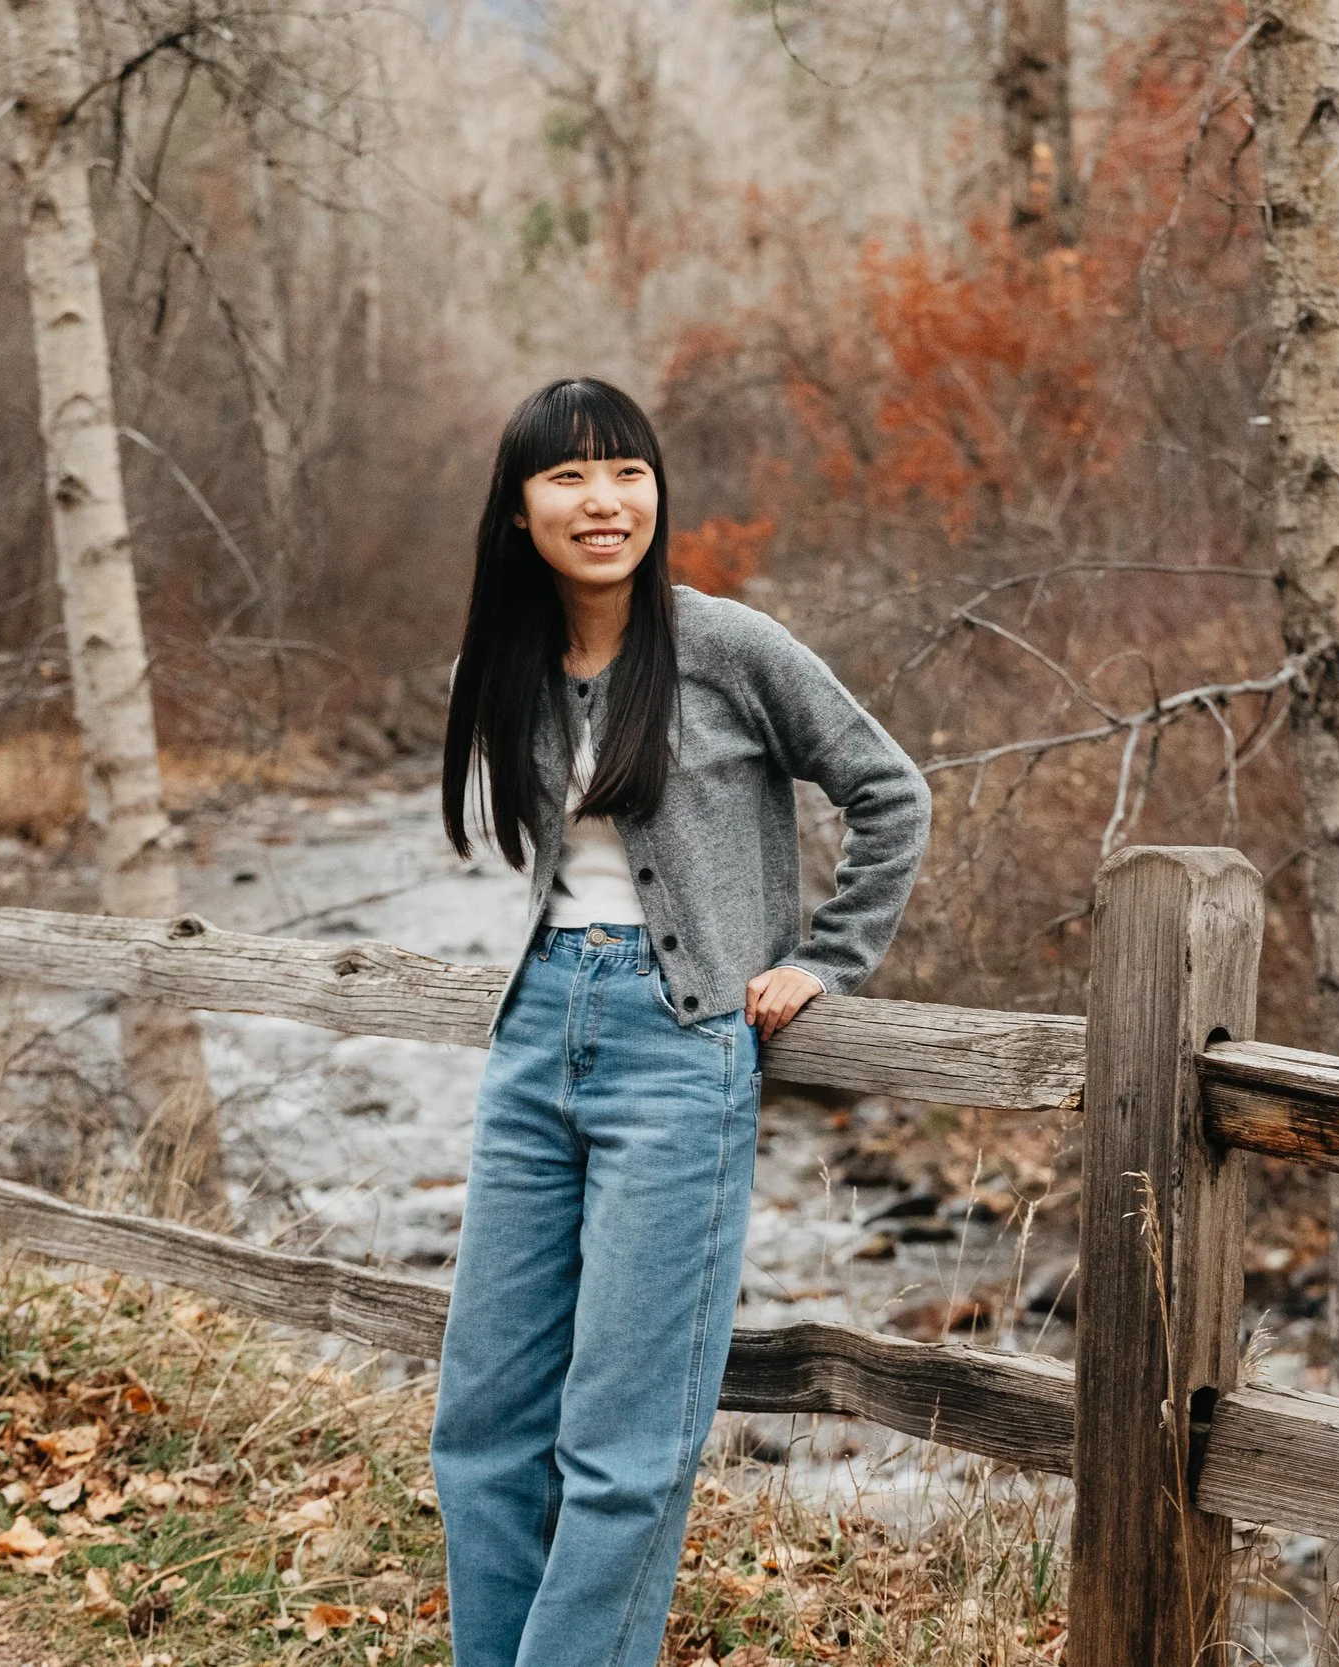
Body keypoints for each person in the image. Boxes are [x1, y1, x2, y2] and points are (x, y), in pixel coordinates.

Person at [430, 376, 931, 1667]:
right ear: (520, 510)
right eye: (566, 477)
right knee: (481, 1423)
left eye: (627, 471)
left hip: (680, 1045)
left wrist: (830, 958)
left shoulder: (727, 646)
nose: (603, 502)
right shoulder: (510, 663)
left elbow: (891, 792)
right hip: (536, 1030)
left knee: (622, 1447)